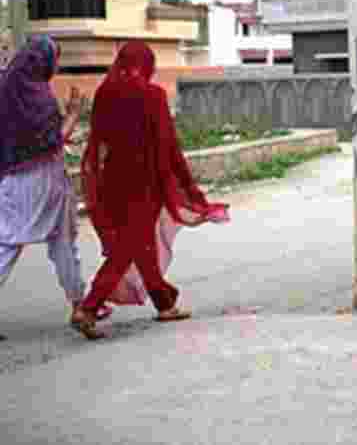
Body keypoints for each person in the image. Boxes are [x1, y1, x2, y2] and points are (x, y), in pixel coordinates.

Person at [71, 41, 228, 340]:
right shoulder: (153, 95)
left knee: (140, 243)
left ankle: (164, 303)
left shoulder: (106, 92)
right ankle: (89, 307)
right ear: (147, 64)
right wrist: (189, 189)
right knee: (128, 247)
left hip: (112, 181)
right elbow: (169, 147)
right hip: (145, 183)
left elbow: (98, 142)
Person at [0, 35, 100, 340]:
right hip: (45, 182)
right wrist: (73, 113)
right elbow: (54, 139)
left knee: (8, 246)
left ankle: (80, 303)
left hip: (12, 182)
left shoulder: (6, 87)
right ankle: (79, 305)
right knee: (63, 244)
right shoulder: (39, 96)